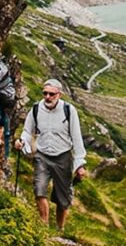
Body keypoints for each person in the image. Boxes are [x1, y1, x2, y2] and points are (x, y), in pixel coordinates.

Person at [14, 79, 87, 231]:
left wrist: (80, 164)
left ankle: (60, 229)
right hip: (42, 156)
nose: (47, 97)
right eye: (45, 93)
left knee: (63, 199)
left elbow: (76, 137)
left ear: (59, 95)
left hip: (63, 157)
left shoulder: (69, 110)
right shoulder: (36, 109)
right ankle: (44, 229)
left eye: (51, 94)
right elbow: (28, 131)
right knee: (39, 190)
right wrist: (22, 141)